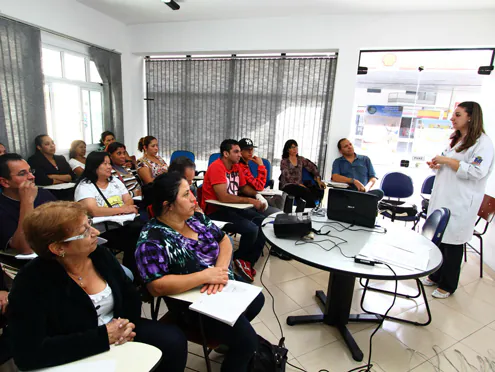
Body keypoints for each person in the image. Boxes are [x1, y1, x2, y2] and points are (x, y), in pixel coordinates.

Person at [8, 201, 187, 371]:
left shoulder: (98, 255)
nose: (95, 232)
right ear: (58, 248)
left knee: (173, 340)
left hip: (115, 329)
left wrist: (125, 325)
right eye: (84, 231)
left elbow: (129, 295)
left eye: (90, 224)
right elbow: (28, 354)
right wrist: (103, 337)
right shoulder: (30, 282)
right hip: (73, 348)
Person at [135, 172, 264, 372]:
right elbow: (155, 286)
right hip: (191, 305)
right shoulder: (152, 239)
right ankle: (235, 347)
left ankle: (228, 342)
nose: (194, 199)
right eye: (186, 195)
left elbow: (223, 240)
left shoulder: (195, 217)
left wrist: (219, 271)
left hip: (217, 288)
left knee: (258, 300)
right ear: (168, 205)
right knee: (248, 343)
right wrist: (204, 276)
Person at [422, 101, 494, 299]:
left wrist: (446, 161)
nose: (452, 118)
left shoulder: (483, 143)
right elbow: (452, 163)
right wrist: (439, 165)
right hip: (445, 197)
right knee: (440, 240)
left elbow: (476, 171)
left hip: (461, 202)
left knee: (453, 243)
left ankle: (448, 284)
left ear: (471, 117)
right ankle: (436, 275)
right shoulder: (457, 139)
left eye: (458, 115)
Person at [201, 139, 267, 282]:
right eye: (236, 152)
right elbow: (223, 197)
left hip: (232, 208)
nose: (239, 155)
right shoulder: (216, 167)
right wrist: (250, 201)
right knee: (251, 229)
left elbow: (243, 188)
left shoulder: (236, 167)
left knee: (263, 222)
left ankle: (246, 261)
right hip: (215, 211)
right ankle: (239, 258)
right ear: (226, 153)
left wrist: (256, 195)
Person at [74, 152, 140, 276]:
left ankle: (136, 274)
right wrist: (122, 210)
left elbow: (128, 199)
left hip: (123, 224)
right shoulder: (85, 186)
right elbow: (94, 211)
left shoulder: (114, 181)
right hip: (101, 231)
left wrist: (125, 208)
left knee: (143, 230)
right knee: (135, 238)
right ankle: (130, 276)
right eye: (105, 164)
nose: (109, 167)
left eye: (109, 163)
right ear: (94, 166)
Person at [0, 154, 56, 254]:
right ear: (5, 182)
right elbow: (25, 248)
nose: (32, 177)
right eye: (22, 174)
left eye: (30, 171)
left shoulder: (43, 194)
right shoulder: (2, 207)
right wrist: (27, 202)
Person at [238, 138, 285, 212]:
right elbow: (259, 186)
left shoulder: (245, 165)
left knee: (282, 197)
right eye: (247, 150)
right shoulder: (241, 167)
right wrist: (261, 165)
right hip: (247, 200)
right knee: (278, 211)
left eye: (252, 149)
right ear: (240, 152)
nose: (250, 152)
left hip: (254, 196)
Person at [279, 139, 326, 208]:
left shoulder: (301, 159)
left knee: (315, 191)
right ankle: (311, 209)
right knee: (304, 190)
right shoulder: (284, 161)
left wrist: (318, 179)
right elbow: (287, 177)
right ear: (287, 149)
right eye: (292, 147)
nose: (295, 149)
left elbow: (313, 168)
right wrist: (299, 184)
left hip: (300, 186)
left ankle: (307, 210)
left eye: (296, 147)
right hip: (287, 185)